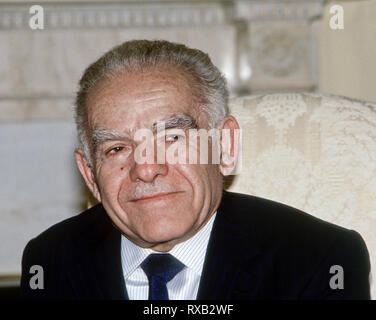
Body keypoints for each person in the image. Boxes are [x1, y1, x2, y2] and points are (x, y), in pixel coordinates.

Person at [21, 40, 370, 300]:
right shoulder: (51, 262)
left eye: (172, 137)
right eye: (116, 148)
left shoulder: (318, 259)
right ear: (90, 176)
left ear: (225, 147)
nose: (146, 169)